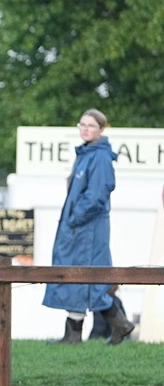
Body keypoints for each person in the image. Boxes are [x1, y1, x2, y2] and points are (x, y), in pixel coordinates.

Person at [42, 109, 134, 345]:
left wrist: (75, 218)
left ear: (101, 129)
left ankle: (116, 325)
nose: (85, 129)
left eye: (91, 125)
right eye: (82, 124)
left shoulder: (100, 157)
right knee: (80, 279)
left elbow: (96, 196)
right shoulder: (86, 153)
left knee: (87, 278)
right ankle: (78, 333)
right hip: (80, 229)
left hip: (88, 230)